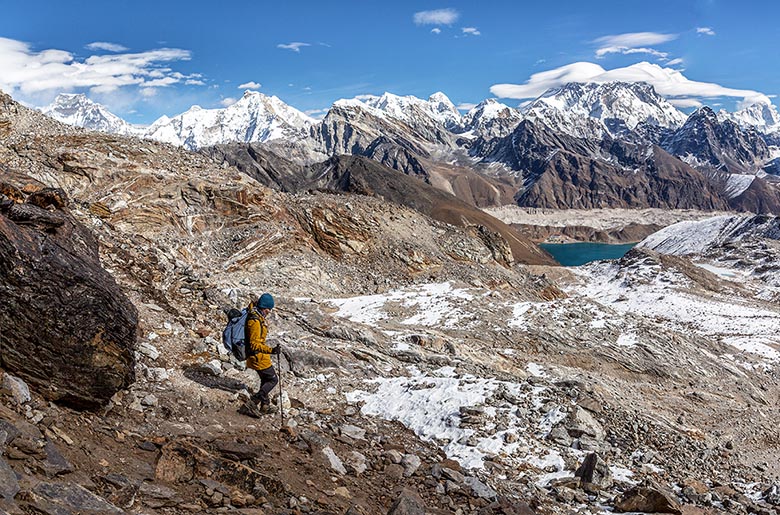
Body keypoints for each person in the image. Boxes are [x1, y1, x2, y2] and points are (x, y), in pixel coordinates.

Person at [241, 292, 281, 417]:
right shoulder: (255, 321)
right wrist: (271, 350)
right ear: (264, 307)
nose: (269, 311)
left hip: (258, 356)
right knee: (273, 379)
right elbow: (254, 344)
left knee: (265, 379)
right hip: (257, 356)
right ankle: (252, 403)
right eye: (268, 308)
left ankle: (265, 406)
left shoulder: (257, 315)